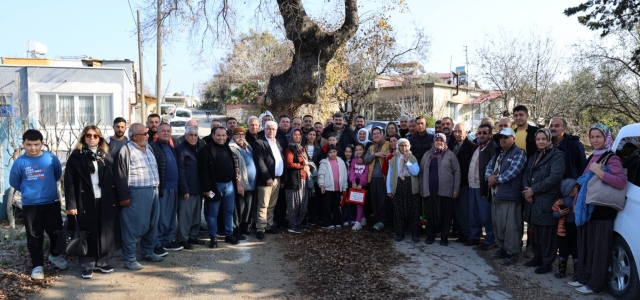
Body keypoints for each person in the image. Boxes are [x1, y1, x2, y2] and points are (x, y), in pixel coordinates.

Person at [568, 124, 626, 295]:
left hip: (601, 212)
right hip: (588, 210)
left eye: (598, 137)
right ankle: (585, 279)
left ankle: (595, 285)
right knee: (587, 248)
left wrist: (600, 173)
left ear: (606, 138)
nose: (594, 140)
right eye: (592, 137)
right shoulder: (594, 156)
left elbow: (620, 182)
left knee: (599, 250)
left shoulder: (612, 158)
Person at [9, 129, 68, 280]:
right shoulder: (20, 162)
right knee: (34, 235)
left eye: (36, 144)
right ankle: (37, 266)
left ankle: (55, 255)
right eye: (29, 144)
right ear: (23, 144)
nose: (33, 148)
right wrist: (28, 191)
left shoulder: (50, 158)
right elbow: (14, 181)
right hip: (30, 205)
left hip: (51, 202)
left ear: (42, 143)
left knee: (56, 231)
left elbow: (56, 175)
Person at [64, 126, 120, 279]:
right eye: (88, 135)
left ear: (100, 138)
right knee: (87, 231)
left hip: (105, 199)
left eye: (95, 136)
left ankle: (102, 262)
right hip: (84, 200)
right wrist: (71, 205)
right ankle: (87, 265)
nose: (91, 138)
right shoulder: (76, 156)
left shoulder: (106, 155)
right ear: (83, 137)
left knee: (104, 231)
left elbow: (113, 178)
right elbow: (68, 182)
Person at [114, 123, 163, 270]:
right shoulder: (125, 150)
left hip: (153, 191)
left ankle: (148, 252)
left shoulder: (148, 148)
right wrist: (124, 196)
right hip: (136, 193)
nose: (148, 136)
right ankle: (130, 259)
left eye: (147, 133)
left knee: (152, 224)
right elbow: (120, 175)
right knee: (132, 226)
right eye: (145, 134)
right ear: (135, 136)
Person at [522, 128, 565, 274]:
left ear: (548, 139)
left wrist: (534, 190)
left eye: (543, 139)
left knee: (547, 234)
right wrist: (527, 191)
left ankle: (547, 262)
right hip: (532, 201)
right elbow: (526, 174)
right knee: (534, 232)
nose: (541, 142)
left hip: (546, 200)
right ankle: (537, 256)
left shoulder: (557, 156)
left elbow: (554, 178)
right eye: (538, 139)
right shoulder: (534, 156)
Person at [485, 128, 527, 266]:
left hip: (511, 196)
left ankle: (512, 253)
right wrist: (489, 177)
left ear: (513, 139)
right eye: (501, 137)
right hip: (496, 195)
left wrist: (495, 179)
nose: (503, 139)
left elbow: (513, 171)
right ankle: (503, 249)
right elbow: (488, 168)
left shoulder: (519, 153)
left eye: (506, 137)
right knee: (498, 225)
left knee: (511, 227)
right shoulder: (498, 153)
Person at [198, 127, 240, 247]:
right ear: (213, 135)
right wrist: (206, 189)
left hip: (229, 186)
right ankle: (213, 237)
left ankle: (228, 234)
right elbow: (203, 171)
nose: (221, 138)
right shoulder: (206, 150)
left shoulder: (227, 146)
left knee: (228, 211)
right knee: (212, 213)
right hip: (213, 187)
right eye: (218, 135)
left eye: (223, 135)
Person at [419, 133, 461, 246]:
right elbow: (422, 172)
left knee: (446, 215)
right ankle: (431, 235)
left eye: (441, 140)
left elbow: (457, 172)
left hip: (446, 191)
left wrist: (456, 189)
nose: (438, 142)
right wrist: (422, 188)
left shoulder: (450, 155)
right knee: (430, 214)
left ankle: (444, 237)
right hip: (429, 190)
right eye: (436, 140)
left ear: (445, 142)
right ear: (433, 142)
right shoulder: (427, 155)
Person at [149, 124, 184, 255]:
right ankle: (157, 243)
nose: (166, 133)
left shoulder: (171, 147)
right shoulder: (153, 148)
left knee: (170, 217)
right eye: (163, 130)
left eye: (168, 131)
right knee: (161, 218)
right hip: (162, 188)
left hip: (174, 187)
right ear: (157, 133)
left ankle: (168, 241)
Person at [466, 124, 497, 251]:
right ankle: (474, 237)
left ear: (490, 134)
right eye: (479, 133)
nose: (482, 135)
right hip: (472, 185)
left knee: (486, 215)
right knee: (473, 214)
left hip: (483, 186)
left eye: (485, 133)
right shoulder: (477, 147)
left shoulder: (493, 148)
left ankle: (490, 240)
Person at [252, 121, 285, 240]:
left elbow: (281, 160)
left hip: (277, 179)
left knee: (272, 205)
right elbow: (260, 162)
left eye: (273, 129)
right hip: (266, 180)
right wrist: (268, 178)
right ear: (264, 129)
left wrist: (282, 179)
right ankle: (260, 228)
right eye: (269, 129)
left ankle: (269, 225)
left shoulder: (277, 142)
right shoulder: (259, 143)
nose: (271, 131)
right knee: (263, 205)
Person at [175, 126, 206, 249]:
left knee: (196, 215)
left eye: (195, 135)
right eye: (191, 135)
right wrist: (184, 189)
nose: (193, 137)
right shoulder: (180, 149)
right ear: (185, 136)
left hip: (198, 187)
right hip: (187, 189)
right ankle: (183, 239)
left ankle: (193, 236)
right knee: (185, 216)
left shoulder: (200, 148)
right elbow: (180, 171)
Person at [387, 138, 420, 242]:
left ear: (409, 147)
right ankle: (399, 233)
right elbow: (390, 175)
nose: (404, 148)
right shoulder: (394, 159)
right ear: (398, 147)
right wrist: (389, 190)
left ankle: (415, 233)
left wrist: (407, 162)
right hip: (398, 186)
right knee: (398, 211)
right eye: (402, 145)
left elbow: (415, 172)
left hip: (410, 187)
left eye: (406, 146)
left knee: (413, 211)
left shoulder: (412, 158)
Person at [229, 127, 256, 240]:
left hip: (250, 184)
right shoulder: (233, 148)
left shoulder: (247, 146)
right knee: (239, 209)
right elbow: (235, 168)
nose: (240, 136)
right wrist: (238, 183)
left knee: (248, 208)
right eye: (237, 134)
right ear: (233, 136)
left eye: (242, 134)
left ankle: (245, 228)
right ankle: (237, 230)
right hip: (241, 184)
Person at [452, 123, 477, 243]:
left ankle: (468, 234)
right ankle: (463, 233)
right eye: (455, 131)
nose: (457, 134)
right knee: (458, 210)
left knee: (465, 210)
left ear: (466, 133)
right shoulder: (452, 145)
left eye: (460, 131)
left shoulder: (472, 146)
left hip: (465, 183)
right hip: (454, 183)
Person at [364, 127, 391, 231]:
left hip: (383, 177)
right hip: (372, 178)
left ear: (382, 134)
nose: (376, 136)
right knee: (374, 200)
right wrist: (376, 154)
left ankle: (383, 221)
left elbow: (389, 154)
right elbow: (366, 160)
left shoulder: (387, 144)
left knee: (382, 200)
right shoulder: (371, 147)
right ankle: (378, 220)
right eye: (374, 134)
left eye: (377, 133)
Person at [284, 127, 310, 233]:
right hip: (294, 180)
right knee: (293, 203)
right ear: (291, 135)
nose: (297, 136)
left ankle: (298, 223)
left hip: (303, 179)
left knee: (302, 203)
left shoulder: (302, 148)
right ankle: (292, 225)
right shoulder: (289, 149)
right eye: (295, 134)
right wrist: (302, 165)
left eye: (299, 135)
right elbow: (289, 164)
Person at [552, 178, 579, 280]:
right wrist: (560, 213)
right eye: (576, 187)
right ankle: (561, 270)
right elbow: (554, 212)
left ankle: (577, 272)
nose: (577, 189)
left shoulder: (579, 201)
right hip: (564, 229)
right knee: (563, 249)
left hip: (576, 229)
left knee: (576, 250)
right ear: (569, 189)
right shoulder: (561, 202)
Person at [318, 145, 349, 229]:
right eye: (330, 152)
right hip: (327, 188)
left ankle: (337, 222)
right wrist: (321, 185)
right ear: (327, 153)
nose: (332, 154)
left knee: (336, 206)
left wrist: (344, 187)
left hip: (338, 188)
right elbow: (321, 174)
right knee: (327, 206)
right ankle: (326, 223)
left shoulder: (341, 161)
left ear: (337, 152)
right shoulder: (324, 162)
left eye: (334, 152)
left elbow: (344, 175)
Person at [302, 130, 322, 226]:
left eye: (314, 135)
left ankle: (312, 218)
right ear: (306, 135)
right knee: (303, 196)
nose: (312, 136)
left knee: (313, 197)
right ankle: (302, 218)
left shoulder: (318, 147)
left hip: (314, 174)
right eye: (310, 134)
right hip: (303, 173)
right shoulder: (301, 147)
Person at [349, 143, 369, 230]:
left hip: (362, 184)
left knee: (359, 203)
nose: (358, 151)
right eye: (357, 150)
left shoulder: (366, 161)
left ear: (364, 150)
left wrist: (361, 183)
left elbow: (366, 172)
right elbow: (352, 171)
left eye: (360, 150)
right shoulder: (354, 160)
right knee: (357, 202)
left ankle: (358, 222)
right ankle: (363, 218)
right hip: (355, 183)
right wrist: (353, 182)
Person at [341, 144, 356, 226]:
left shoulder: (354, 161)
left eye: (350, 152)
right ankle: (345, 218)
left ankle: (352, 217)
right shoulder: (341, 161)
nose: (348, 153)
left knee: (352, 201)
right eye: (346, 151)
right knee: (344, 201)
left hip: (352, 183)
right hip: (344, 183)